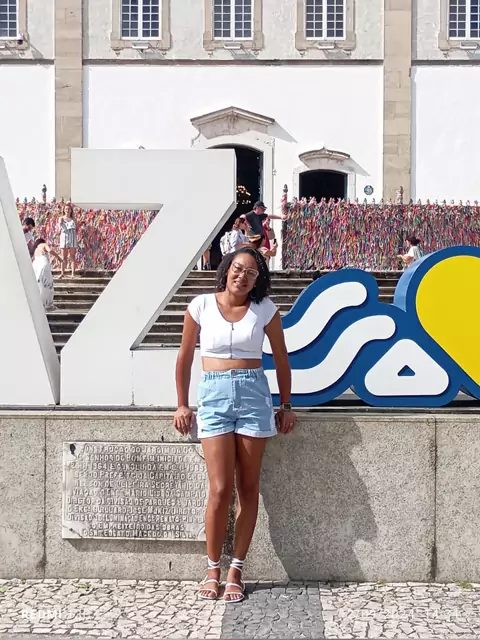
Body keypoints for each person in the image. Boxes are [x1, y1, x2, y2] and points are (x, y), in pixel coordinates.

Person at [174, 247, 296, 603]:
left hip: (253, 395)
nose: (242, 276)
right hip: (213, 397)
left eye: (251, 273)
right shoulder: (200, 305)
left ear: (258, 280)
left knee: (248, 487)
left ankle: (235, 571)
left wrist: (286, 405)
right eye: (238, 269)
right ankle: (212, 569)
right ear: (226, 270)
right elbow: (184, 356)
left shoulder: (265, 309)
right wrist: (182, 403)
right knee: (219, 488)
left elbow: (281, 357)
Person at [32, 238, 63, 311]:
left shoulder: (35, 250)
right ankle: (48, 305)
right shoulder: (43, 244)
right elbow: (50, 250)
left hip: (36, 267)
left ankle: (40, 304)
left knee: (40, 286)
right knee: (48, 285)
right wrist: (58, 258)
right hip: (44, 265)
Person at [59, 204, 79, 278]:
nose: (67, 210)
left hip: (72, 238)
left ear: (71, 210)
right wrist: (60, 222)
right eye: (66, 209)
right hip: (64, 237)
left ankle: (73, 274)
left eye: (69, 209)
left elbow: (77, 228)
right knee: (64, 257)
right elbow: (59, 225)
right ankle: (62, 273)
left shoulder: (74, 219)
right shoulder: (61, 218)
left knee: (72, 256)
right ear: (64, 210)